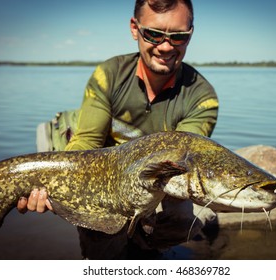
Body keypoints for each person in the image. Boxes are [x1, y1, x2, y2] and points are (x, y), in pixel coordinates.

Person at [17, 0, 219, 259]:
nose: (166, 46)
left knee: (183, 217)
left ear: (190, 34)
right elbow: (86, 142)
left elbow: (185, 161)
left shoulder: (203, 98)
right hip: (102, 175)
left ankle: (149, 248)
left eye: (177, 37)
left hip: (156, 179)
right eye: (154, 34)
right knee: (102, 243)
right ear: (135, 29)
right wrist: (51, 184)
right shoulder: (108, 74)